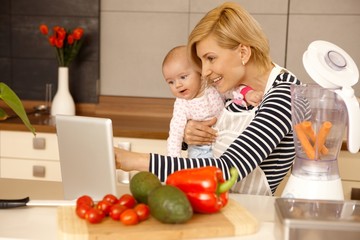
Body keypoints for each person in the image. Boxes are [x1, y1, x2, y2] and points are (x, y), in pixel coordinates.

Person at [115, 2, 301, 195]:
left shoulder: (285, 94)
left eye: (211, 58)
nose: (204, 72)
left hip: (250, 213)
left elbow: (227, 170)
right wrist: (190, 136)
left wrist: (133, 160)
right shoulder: (232, 86)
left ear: (243, 52)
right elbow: (216, 134)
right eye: (201, 61)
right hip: (215, 204)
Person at [163, 45, 261, 158]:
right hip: (200, 150)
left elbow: (232, 92)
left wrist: (248, 94)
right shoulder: (181, 104)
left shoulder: (212, 87)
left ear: (199, 72)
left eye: (183, 77)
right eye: (171, 82)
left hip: (225, 141)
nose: (178, 85)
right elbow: (175, 135)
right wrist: (174, 162)